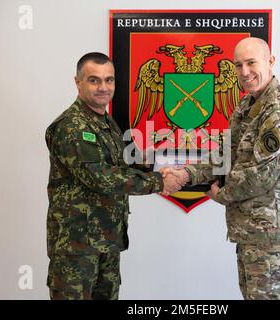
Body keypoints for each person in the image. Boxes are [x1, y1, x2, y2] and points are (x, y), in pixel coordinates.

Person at [166, 37, 280, 299]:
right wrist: (187, 173)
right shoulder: (248, 104)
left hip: (269, 231)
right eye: (238, 65)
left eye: (251, 62)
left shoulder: (278, 113)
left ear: (270, 61)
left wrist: (222, 195)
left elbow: (260, 176)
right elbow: (226, 154)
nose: (244, 72)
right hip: (251, 228)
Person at [45, 52, 184, 300]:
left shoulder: (106, 122)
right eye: (94, 80)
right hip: (76, 246)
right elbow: (100, 177)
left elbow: (118, 164)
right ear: (77, 82)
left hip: (105, 240)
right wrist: (160, 181)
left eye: (109, 80)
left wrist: (152, 165)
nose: (103, 87)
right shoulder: (72, 126)